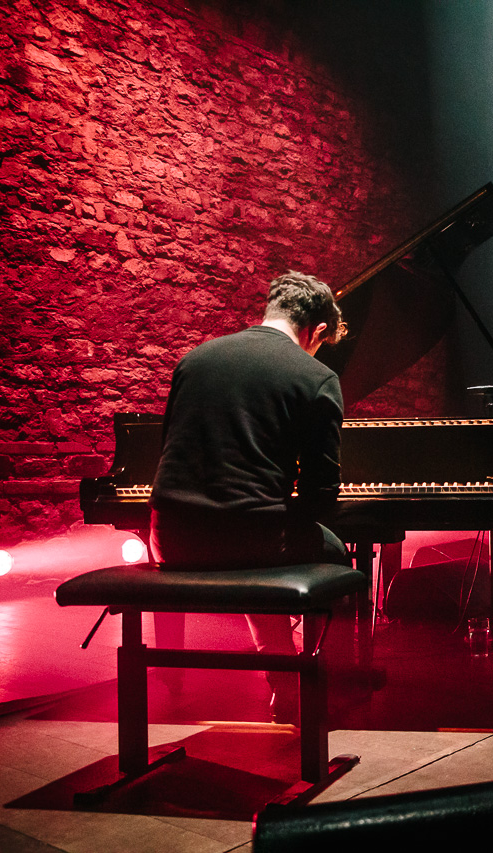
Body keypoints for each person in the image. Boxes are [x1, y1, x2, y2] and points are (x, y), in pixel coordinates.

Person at [149, 271, 351, 723]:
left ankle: (283, 679)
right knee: (333, 552)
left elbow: (171, 452)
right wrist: (286, 508)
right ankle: (320, 683)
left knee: (252, 530)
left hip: (170, 538)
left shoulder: (195, 359)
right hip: (251, 542)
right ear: (317, 330)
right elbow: (320, 492)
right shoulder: (316, 376)